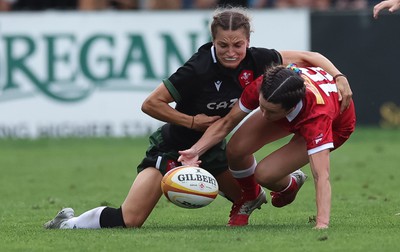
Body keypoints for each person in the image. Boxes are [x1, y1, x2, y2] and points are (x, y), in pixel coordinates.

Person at [44, 7, 352, 229]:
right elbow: (150, 104)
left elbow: (309, 57)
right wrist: (192, 123)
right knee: (130, 220)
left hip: (212, 150)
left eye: (238, 45)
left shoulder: (260, 59)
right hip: (175, 148)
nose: (231, 52)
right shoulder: (198, 69)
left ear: (248, 41)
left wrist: (339, 75)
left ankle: (282, 186)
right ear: (212, 41)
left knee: (252, 192)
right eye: (223, 45)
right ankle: (67, 223)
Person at [179, 64, 355, 229]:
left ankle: (289, 183)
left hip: (335, 125)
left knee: (264, 174)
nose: (263, 114)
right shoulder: (266, 86)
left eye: (270, 111)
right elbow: (227, 123)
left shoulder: (317, 117)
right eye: (261, 106)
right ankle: (251, 196)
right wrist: (195, 151)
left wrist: (322, 224)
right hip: (298, 107)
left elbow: (321, 175)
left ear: (290, 109)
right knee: (235, 150)